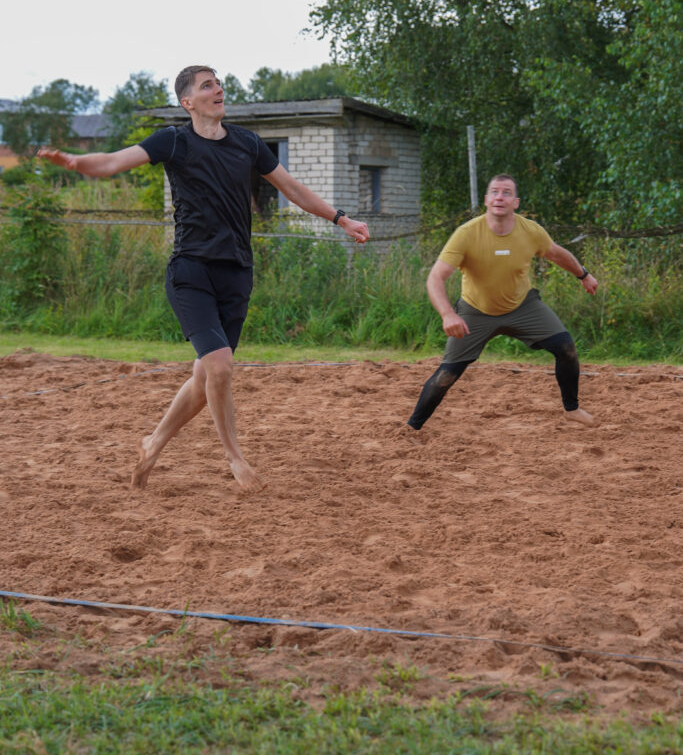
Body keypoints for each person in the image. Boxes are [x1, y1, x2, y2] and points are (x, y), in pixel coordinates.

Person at [39, 65, 370, 491]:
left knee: (205, 377)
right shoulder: (173, 141)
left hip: (237, 272)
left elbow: (293, 189)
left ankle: (153, 442)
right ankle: (235, 458)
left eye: (218, 83)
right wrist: (75, 162)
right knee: (221, 366)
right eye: (207, 85)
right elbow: (114, 161)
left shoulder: (247, 143)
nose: (218, 89)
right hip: (191, 269)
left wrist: (341, 219)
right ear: (187, 102)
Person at [407, 174, 598, 432]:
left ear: (515, 202)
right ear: (487, 200)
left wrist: (583, 275)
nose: (500, 197)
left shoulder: (531, 231)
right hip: (475, 311)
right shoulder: (466, 234)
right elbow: (435, 278)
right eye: (495, 192)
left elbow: (556, 253)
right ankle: (412, 428)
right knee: (447, 374)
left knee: (566, 348)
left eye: (506, 192)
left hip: (523, 306)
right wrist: (448, 314)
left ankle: (572, 409)